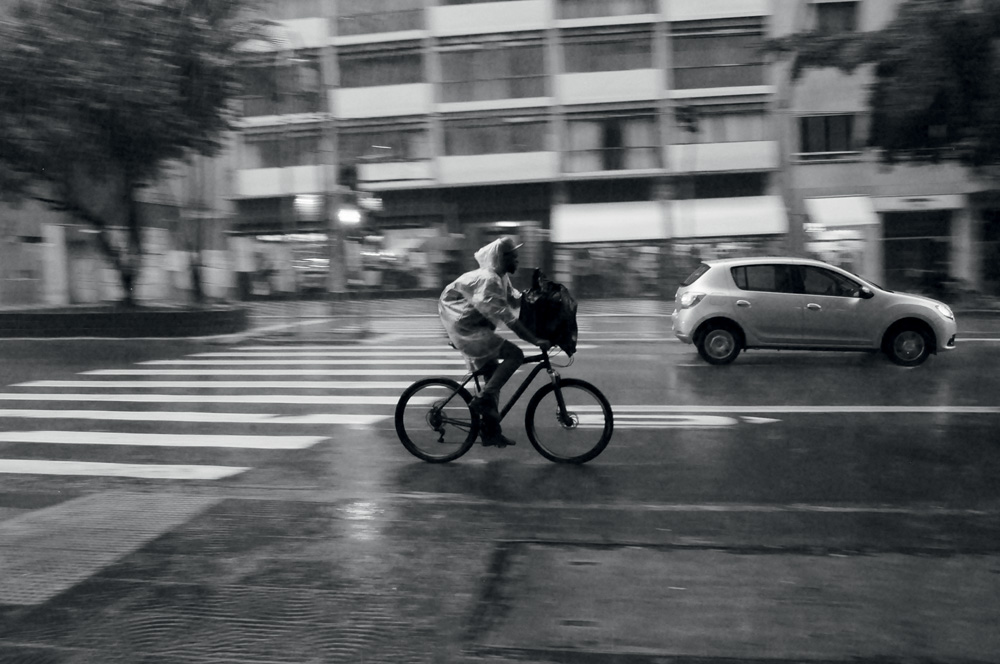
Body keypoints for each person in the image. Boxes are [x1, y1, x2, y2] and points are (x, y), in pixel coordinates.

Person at [439, 236, 551, 447]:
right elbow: (509, 318)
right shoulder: (489, 280)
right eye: (514, 257)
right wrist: (535, 340)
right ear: (502, 258)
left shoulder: (501, 279)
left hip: (475, 327)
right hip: (467, 329)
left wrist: (540, 298)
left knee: (493, 379)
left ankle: (491, 432)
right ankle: (481, 401)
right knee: (515, 355)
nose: (518, 261)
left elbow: (516, 301)